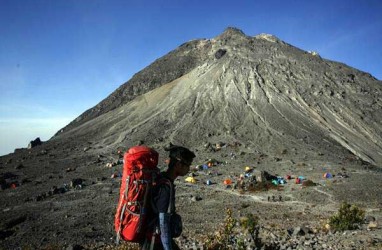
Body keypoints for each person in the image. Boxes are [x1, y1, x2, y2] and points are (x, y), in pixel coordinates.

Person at [141, 144, 196, 250]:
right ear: (178, 165)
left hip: (152, 238)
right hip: (155, 242)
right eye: (188, 165)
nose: (189, 169)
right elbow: (163, 222)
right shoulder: (165, 186)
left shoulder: (160, 178)